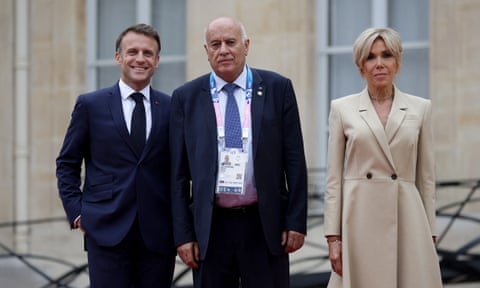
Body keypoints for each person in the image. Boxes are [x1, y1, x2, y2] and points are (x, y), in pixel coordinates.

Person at [169, 16, 308, 288]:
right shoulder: (186, 97)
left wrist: (296, 221)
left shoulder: (277, 88)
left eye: (230, 42)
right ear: (206, 51)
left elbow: (294, 159)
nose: (223, 50)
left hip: (265, 224)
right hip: (211, 228)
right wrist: (183, 235)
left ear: (246, 45)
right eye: (215, 44)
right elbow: (177, 173)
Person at [56, 23, 175, 287]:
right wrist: (77, 213)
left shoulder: (171, 107)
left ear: (157, 61)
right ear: (118, 57)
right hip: (105, 230)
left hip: (158, 235)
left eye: (148, 53)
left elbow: (181, 169)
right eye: (132, 51)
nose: (140, 59)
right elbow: (67, 163)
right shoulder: (90, 105)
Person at [323, 27, 443, 287]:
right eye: (370, 57)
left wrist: (430, 232)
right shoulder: (341, 109)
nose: (379, 64)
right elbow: (333, 179)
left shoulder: (421, 108)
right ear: (360, 65)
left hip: (408, 216)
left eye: (386, 55)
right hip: (359, 218)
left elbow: (427, 178)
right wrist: (333, 236)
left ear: (397, 62)